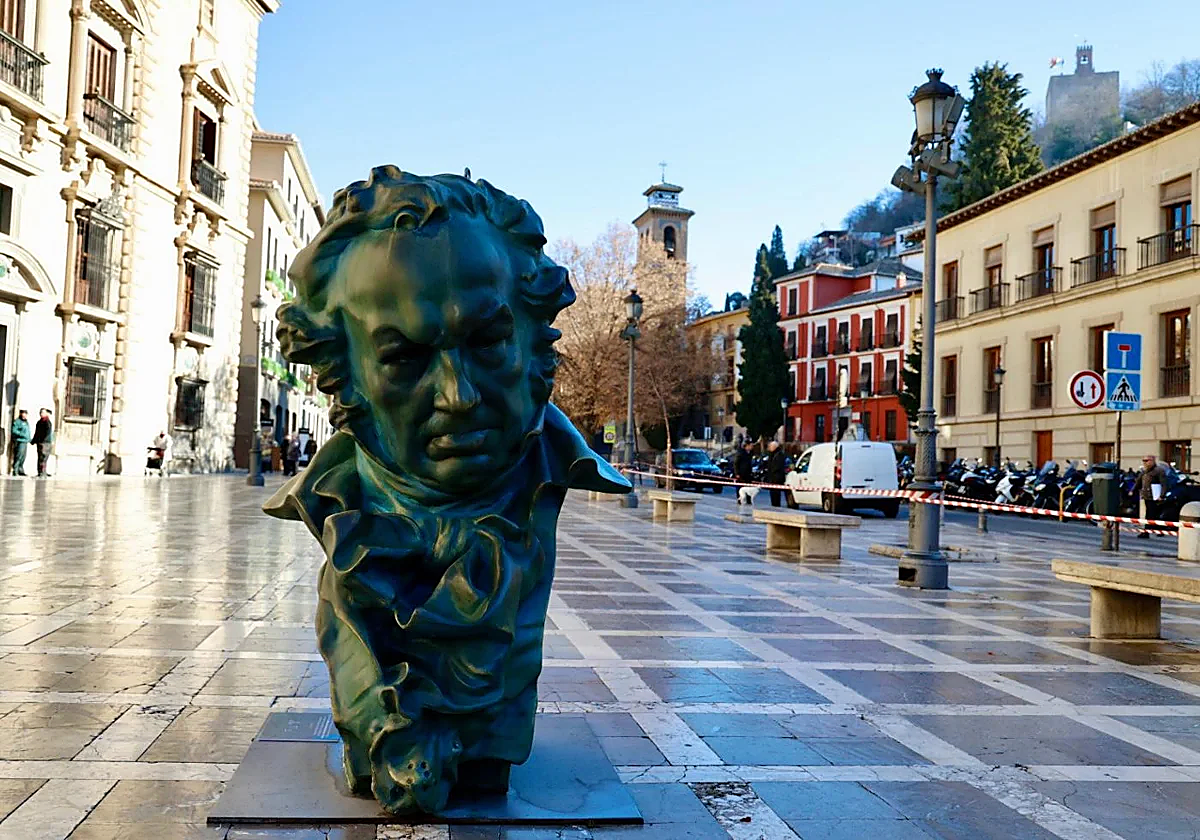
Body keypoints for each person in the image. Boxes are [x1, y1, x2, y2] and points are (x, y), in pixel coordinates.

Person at [1137, 454, 1167, 538]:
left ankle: (1151, 531)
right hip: (1147, 496)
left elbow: (1164, 484)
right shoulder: (1144, 471)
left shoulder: (1159, 471)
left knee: (1153, 514)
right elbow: (1138, 481)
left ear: (1152, 461)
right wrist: (1132, 490)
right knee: (1150, 514)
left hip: (1155, 496)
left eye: (1147, 461)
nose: (1145, 462)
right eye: (1143, 461)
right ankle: (1153, 531)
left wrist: (1162, 495)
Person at [31, 408, 53, 477]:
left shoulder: (47, 422)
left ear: (46, 413)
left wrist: (41, 440)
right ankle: (40, 472)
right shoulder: (39, 422)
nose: (41, 414)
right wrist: (34, 440)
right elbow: (37, 432)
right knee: (40, 458)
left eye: (43, 412)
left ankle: (43, 472)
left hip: (45, 443)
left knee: (43, 458)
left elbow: (46, 433)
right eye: (40, 412)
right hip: (40, 442)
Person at [765, 439, 787, 507]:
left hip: (777, 477)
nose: (769, 448)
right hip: (772, 477)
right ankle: (774, 504)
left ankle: (776, 505)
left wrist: (773, 471)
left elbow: (778, 466)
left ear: (774, 447)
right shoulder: (771, 454)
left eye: (771, 446)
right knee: (772, 493)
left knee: (776, 493)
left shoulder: (779, 454)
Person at [734, 441, 756, 507]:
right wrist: (737, 473)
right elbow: (736, 463)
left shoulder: (750, 453)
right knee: (740, 488)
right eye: (751, 446)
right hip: (741, 473)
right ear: (747, 446)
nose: (752, 447)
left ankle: (748, 500)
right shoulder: (740, 453)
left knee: (748, 487)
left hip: (748, 473)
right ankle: (740, 499)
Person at [10, 409, 30, 476]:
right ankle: (15, 470)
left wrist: (29, 438)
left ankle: (20, 470)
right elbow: (14, 431)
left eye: (25, 414)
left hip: (25, 441)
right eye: (23, 413)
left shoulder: (26, 422)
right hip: (20, 441)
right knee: (18, 456)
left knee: (23, 457)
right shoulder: (17, 421)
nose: (24, 415)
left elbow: (27, 432)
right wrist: (22, 434)